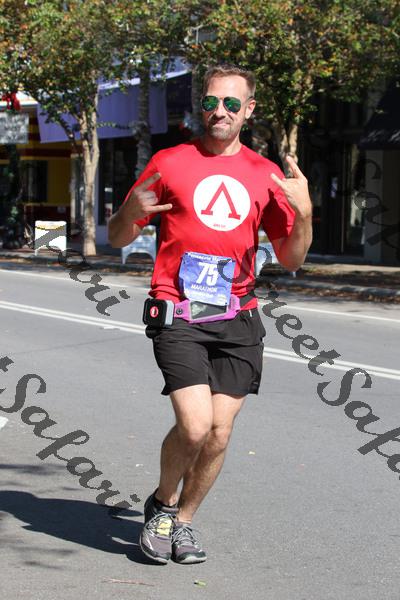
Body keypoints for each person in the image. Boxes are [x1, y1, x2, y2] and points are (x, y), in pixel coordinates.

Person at [108, 64, 312, 565]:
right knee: (196, 426)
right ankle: (162, 506)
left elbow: (292, 258)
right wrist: (129, 213)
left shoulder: (265, 174)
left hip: (237, 314)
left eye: (231, 103)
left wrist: (305, 213)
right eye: (211, 102)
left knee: (220, 432)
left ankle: (183, 521)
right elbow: (117, 237)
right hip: (178, 308)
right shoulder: (169, 162)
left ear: (249, 110)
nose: (219, 111)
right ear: (202, 106)